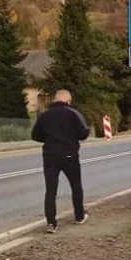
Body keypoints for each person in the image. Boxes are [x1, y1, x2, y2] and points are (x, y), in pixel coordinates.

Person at [31, 90, 90, 233]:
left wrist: (50, 139)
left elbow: (35, 135)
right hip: (70, 155)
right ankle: (79, 216)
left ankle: (51, 223)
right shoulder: (73, 113)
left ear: (54, 100)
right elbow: (84, 133)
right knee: (76, 186)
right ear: (68, 101)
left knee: (51, 190)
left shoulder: (44, 116)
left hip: (50, 156)